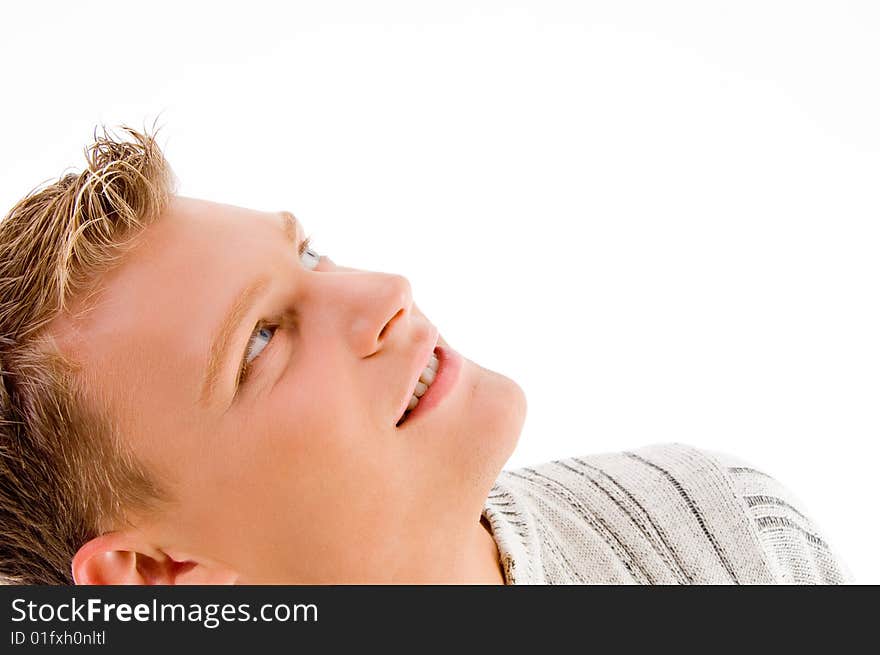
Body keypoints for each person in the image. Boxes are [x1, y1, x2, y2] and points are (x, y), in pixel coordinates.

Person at [0, 126, 852, 585]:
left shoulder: (725, 535)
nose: (385, 293)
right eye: (263, 337)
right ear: (158, 573)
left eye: (309, 255)